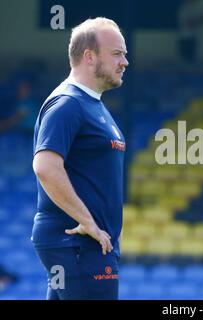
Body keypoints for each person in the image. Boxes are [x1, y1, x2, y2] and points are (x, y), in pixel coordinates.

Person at [32, 17, 129, 300]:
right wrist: (88, 222)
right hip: (79, 244)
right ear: (89, 56)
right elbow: (45, 167)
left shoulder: (91, 104)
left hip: (79, 246)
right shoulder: (68, 103)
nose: (125, 62)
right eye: (117, 54)